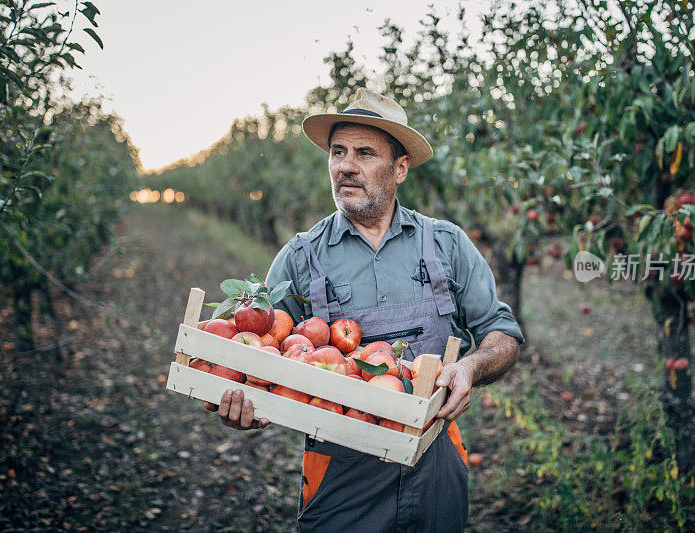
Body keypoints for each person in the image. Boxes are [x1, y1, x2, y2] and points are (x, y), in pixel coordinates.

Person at [205, 88, 524, 532]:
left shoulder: (446, 244)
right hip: (341, 473)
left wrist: (471, 368)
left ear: (400, 168)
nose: (345, 165)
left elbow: (502, 333)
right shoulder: (301, 258)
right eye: (337, 152)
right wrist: (248, 402)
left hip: (434, 463)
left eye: (365, 152)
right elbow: (265, 359)